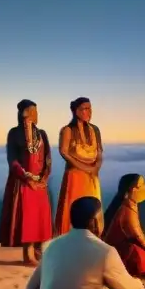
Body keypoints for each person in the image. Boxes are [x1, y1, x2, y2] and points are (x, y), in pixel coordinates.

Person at [0, 99, 53, 266]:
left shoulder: (42, 134)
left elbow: (47, 157)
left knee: (40, 218)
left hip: (40, 183)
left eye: (36, 112)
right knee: (27, 218)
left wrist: (44, 177)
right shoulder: (14, 134)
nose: (36, 115)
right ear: (24, 114)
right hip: (22, 182)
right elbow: (13, 160)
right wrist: (26, 178)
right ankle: (27, 254)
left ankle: (39, 251)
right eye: (32, 112)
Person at [55, 97, 104, 235]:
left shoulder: (95, 130)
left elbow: (99, 152)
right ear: (76, 111)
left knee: (93, 210)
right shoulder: (67, 130)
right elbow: (64, 152)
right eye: (84, 109)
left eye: (90, 108)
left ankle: (92, 241)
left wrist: (96, 167)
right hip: (75, 176)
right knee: (73, 210)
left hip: (92, 176)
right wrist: (85, 168)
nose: (89, 112)